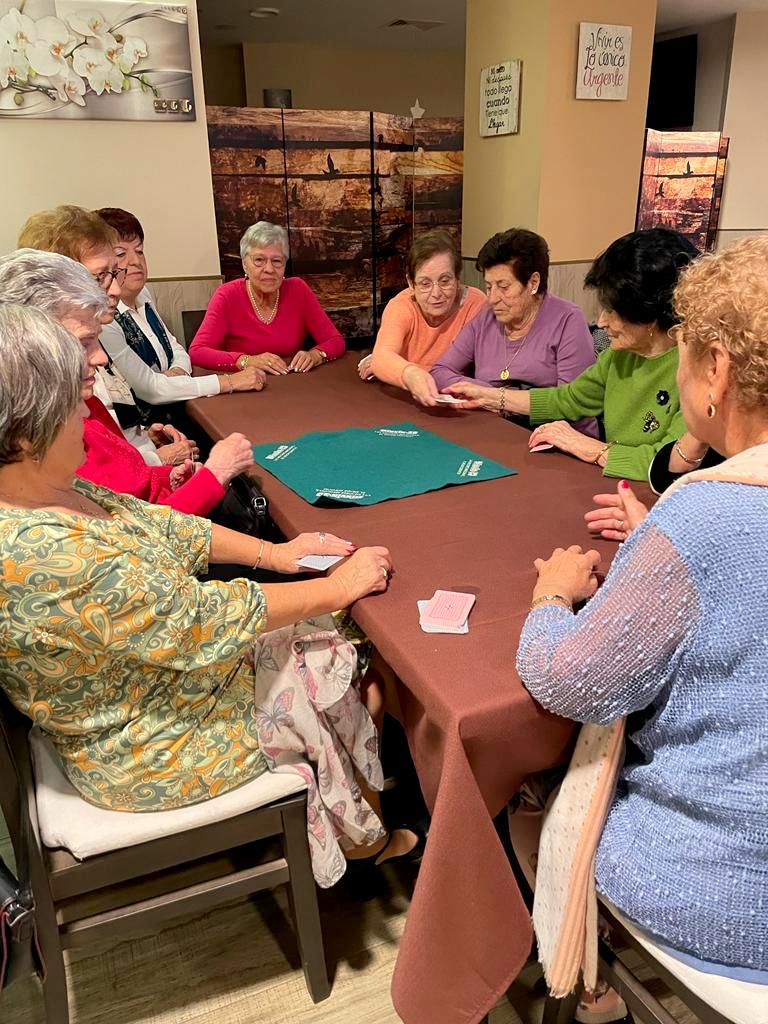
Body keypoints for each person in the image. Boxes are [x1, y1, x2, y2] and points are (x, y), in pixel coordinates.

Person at [0, 303, 400, 886]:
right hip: (146, 747)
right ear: (25, 433)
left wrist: (278, 555)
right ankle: (363, 840)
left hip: (143, 687)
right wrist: (334, 585)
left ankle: (357, 815)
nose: (85, 413)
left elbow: (164, 526)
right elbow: (200, 620)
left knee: (322, 637)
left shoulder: (43, 487)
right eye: (71, 404)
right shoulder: (43, 550)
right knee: (344, 661)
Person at [516, 236, 768, 1020]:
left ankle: (587, 987)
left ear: (717, 372)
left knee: (528, 796)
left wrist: (552, 600)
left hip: (722, 892)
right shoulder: (691, 520)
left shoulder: (704, 516)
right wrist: (664, 531)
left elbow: (575, 681)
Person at [0, 249, 251, 518]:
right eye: (102, 276)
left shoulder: (82, 401)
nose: (100, 356)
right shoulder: (54, 434)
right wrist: (216, 473)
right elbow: (139, 536)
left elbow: (126, 491)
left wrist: (161, 474)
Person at [447, 229, 699, 481]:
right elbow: (569, 398)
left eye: (613, 311)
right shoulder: (620, 354)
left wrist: (585, 445)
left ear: (650, 317)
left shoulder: (696, 369)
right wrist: (491, 396)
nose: (601, 322)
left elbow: (668, 464)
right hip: (613, 484)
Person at [18, 204, 198, 467]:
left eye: (114, 273)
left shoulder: (97, 332)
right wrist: (156, 459)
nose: (114, 289)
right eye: (101, 276)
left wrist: (143, 440)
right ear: (54, 282)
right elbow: (97, 478)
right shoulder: (46, 379)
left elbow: (106, 440)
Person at [96, 207, 265, 415]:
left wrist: (177, 372)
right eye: (121, 254)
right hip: (148, 430)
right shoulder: (105, 318)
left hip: (178, 407)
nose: (135, 260)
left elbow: (176, 349)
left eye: (139, 250)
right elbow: (150, 390)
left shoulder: (144, 295)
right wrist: (228, 381)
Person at [431, 228, 596, 430]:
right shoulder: (486, 319)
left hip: (560, 442)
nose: (492, 299)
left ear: (533, 283)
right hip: (499, 430)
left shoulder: (568, 320)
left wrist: (502, 399)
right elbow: (440, 371)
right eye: (489, 286)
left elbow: (573, 404)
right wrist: (487, 392)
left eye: (503, 286)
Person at [189, 221, 346, 375]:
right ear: (245, 264)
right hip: (245, 386)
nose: (269, 269)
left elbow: (335, 341)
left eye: (276, 261)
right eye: (259, 260)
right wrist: (247, 361)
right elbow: (197, 352)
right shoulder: (227, 295)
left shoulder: (298, 290)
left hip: (292, 382)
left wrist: (316, 355)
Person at [360, 229, 487, 406]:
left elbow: (474, 376)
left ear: (458, 279)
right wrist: (407, 372)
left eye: (445, 281)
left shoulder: (477, 305)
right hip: (405, 402)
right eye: (425, 284)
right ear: (411, 283)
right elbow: (382, 357)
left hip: (460, 408)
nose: (436, 293)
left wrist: (399, 367)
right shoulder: (402, 305)